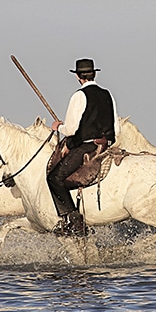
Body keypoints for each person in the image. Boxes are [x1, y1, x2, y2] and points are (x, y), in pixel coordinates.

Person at [47, 58, 120, 236]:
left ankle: (75, 221)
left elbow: (71, 130)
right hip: (106, 147)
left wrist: (58, 127)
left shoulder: (79, 96)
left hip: (87, 147)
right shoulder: (107, 94)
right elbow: (116, 128)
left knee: (54, 178)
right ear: (94, 74)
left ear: (78, 77)